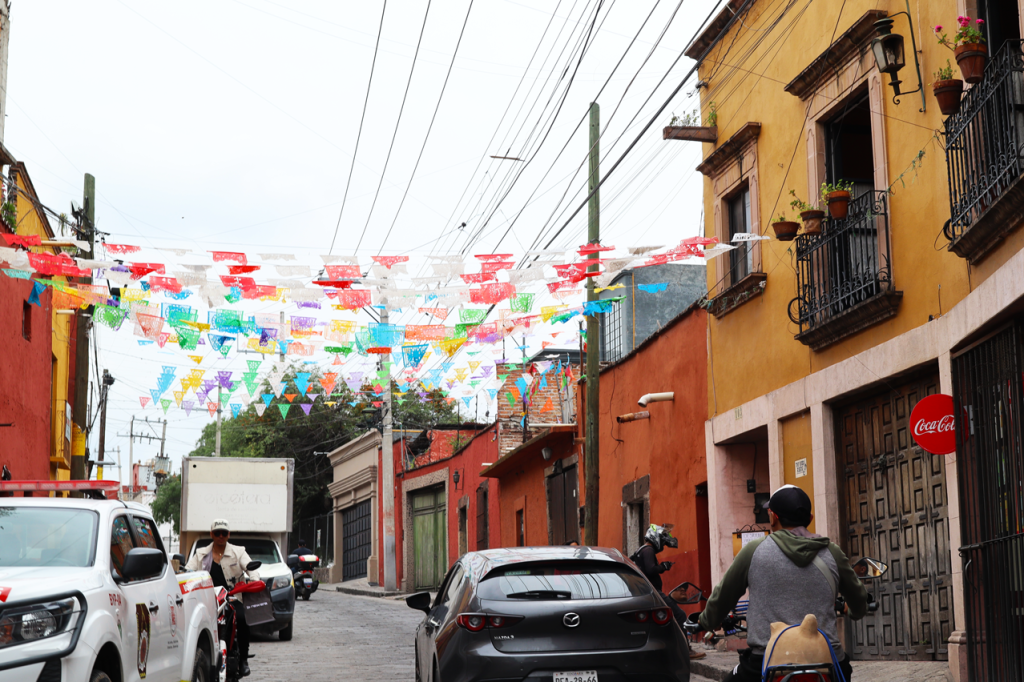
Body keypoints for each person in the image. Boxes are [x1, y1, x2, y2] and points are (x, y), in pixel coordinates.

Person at [694, 485, 868, 682]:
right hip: (827, 661)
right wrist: (853, 611)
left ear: (773, 517)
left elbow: (723, 596)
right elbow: (859, 601)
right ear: (810, 519)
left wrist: (706, 621)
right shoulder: (832, 552)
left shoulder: (753, 551)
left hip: (766, 662)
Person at [186, 519, 259, 677]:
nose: (220, 536)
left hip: (232, 598)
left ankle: (243, 660)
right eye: (217, 533)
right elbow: (188, 571)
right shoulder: (201, 554)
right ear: (211, 534)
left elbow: (250, 567)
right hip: (208, 600)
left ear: (228, 535)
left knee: (242, 618)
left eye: (224, 533)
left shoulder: (238, 552)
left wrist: (255, 580)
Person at [633, 524, 704, 660]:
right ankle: (685, 650)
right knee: (680, 615)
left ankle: (672, 649)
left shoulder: (642, 550)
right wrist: (663, 567)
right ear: (655, 537)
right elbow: (651, 570)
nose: (663, 545)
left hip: (647, 592)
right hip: (654, 592)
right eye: (663, 541)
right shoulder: (648, 550)